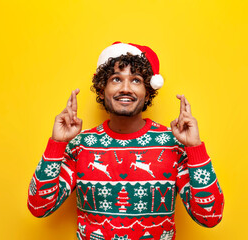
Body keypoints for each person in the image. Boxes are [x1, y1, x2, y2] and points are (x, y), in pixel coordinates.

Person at [27, 41, 225, 240]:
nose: (126, 88)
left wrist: (194, 148)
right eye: (116, 79)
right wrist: (57, 144)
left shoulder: (173, 144)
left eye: (136, 80)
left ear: (148, 91)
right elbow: (39, 206)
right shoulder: (80, 145)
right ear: (102, 88)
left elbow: (210, 216)